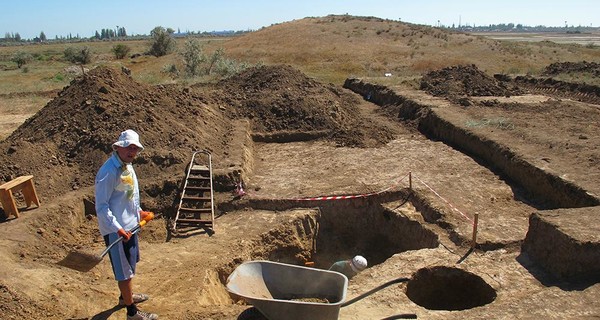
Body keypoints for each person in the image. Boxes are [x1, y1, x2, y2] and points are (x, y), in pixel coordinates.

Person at [95, 129, 158, 320]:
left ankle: (125, 297)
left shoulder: (127, 166)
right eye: (129, 148)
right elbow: (102, 206)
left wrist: (139, 211)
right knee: (124, 272)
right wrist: (117, 228)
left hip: (131, 227)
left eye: (135, 149)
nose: (132, 152)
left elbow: (130, 194)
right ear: (119, 147)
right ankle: (131, 313)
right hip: (118, 231)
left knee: (129, 266)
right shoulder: (108, 172)